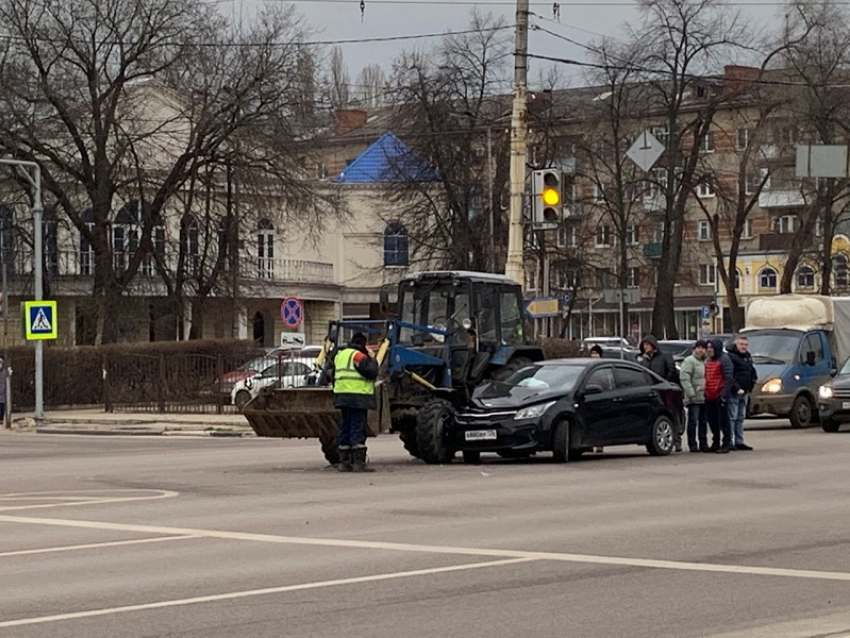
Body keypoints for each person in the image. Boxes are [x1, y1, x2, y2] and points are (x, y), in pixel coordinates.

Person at [330, 332, 379, 472]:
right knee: (357, 427)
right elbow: (372, 372)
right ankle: (359, 463)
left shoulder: (340, 355)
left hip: (342, 396)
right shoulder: (358, 356)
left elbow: (332, 374)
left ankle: (344, 463)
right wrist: (372, 359)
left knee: (345, 427)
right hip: (357, 397)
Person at [638, 334, 682, 450]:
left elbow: (672, 371)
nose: (645, 347)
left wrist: (665, 383)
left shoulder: (665, 357)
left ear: (653, 345)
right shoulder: (644, 361)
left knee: (672, 414)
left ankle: (677, 440)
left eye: (647, 345)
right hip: (652, 393)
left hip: (666, 391)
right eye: (644, 345)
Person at [704, 338, 735, 454]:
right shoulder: (708, 360)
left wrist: (724, 394)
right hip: (709, 395)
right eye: (708, 348)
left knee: (723, 420)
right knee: (712, 421)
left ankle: (726, 442)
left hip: (720, 395)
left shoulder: (725, 360)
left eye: (711, 347)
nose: (709, 350)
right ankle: (715, 441)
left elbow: (729, 378)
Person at [726, 336, 758, 451]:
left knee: (740, 417)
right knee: (732, 417)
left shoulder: (747, 357)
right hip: (734, 392)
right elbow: (729, 375)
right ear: (736, 345)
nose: (744, 347)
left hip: (745, 391)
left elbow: (752, 372)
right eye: (741, 344)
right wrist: (736, 388)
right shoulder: (731, 357)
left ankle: (739, 441)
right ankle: (729, 441)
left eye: (745, 344)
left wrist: (751, 385)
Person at [679, 340, 707, 452]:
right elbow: (685, 378)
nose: (701, 350)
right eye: (698, 347)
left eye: (703, 348)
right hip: (694, 397)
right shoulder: (689, 361)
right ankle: (692, 444)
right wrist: (691, 394)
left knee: (703, 421)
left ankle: (703, 443)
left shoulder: (705, 361)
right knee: (693, 421)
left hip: (704, 396)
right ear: (694, 349)